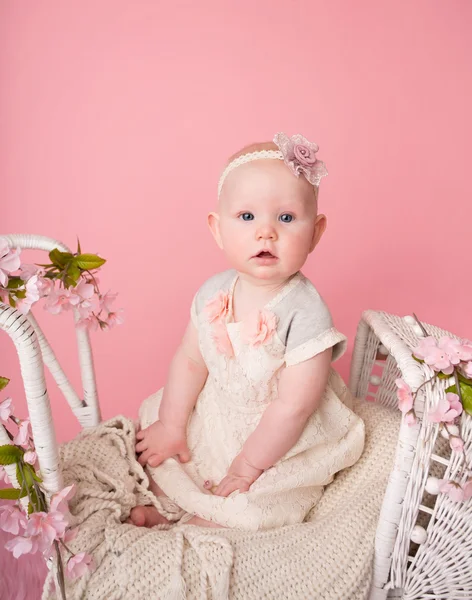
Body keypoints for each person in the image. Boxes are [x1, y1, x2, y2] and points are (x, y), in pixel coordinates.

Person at [130, 132, 365, 531]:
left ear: (316, 232)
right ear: (218, 229)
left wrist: (249, 465)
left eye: (286, 218)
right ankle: (173, 507)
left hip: (282, 437)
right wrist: (172, 424)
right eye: (247, 217)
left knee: (262, 498)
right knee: (173, 456)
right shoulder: (213, 292)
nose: (266, 232)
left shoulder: (305, 312)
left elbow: (294, 407)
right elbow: (190, 359)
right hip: (223, 413)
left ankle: (201, 524)